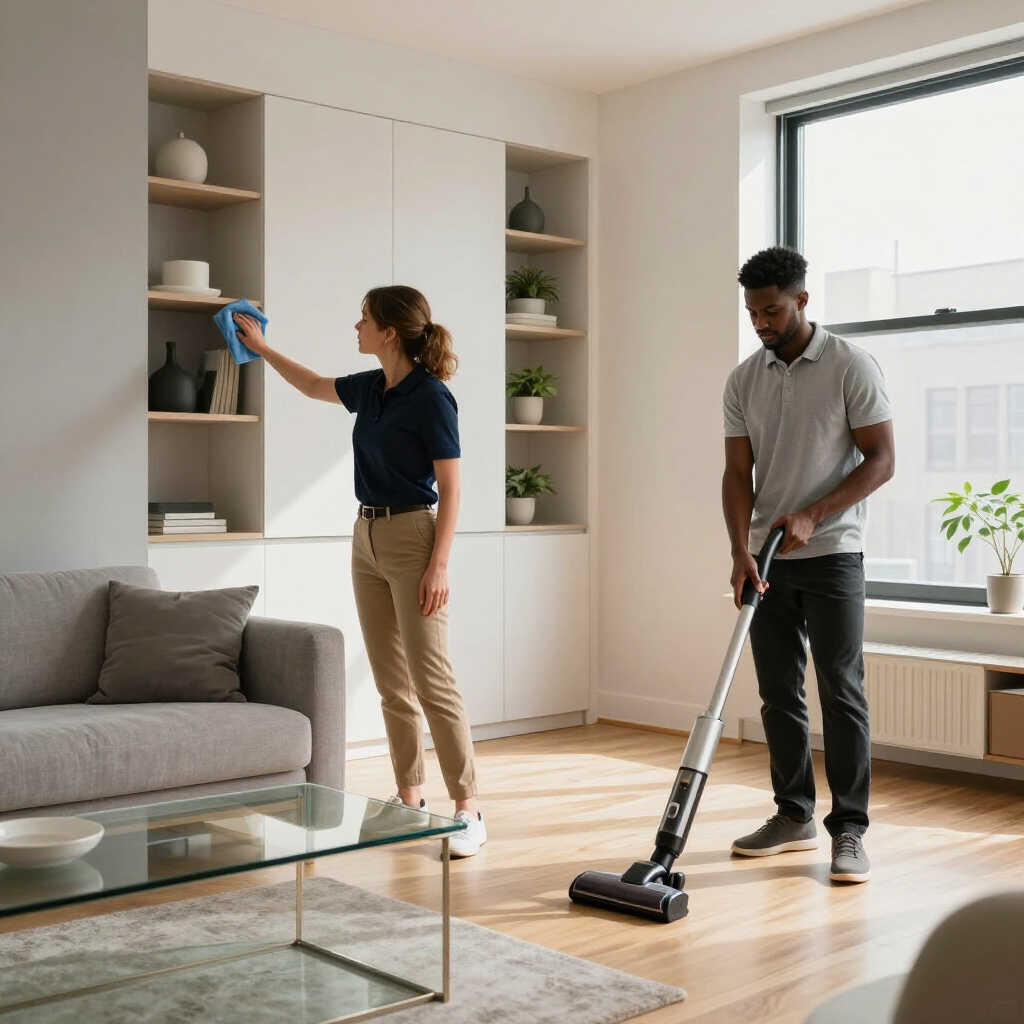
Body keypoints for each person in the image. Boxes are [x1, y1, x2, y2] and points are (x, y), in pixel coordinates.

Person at [233, 285, 486, 858]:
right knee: (391, 681)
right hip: (366, 538)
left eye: (365, 319)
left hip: (414, 538)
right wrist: (264, 349)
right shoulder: (372, 387)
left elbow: (451, 488)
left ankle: (468, 809)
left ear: (389, 332)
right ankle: (409, 797)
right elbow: (314, 385)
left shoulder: (431, 397)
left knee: (432, 680)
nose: (357, 325)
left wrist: (438, 565)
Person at [722, 246, 895, 883]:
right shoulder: (745, 378)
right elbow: (737, 471)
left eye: (771, 310)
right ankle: (793, 813)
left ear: (801, 300)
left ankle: (849, 831)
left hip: (833, 555)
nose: (762, 323)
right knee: (776, 694)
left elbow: (881, 460)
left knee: (840, 692)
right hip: (768, 557)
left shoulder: (851, 365)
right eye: (753, 313)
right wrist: (740, 546)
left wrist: (815, 513)